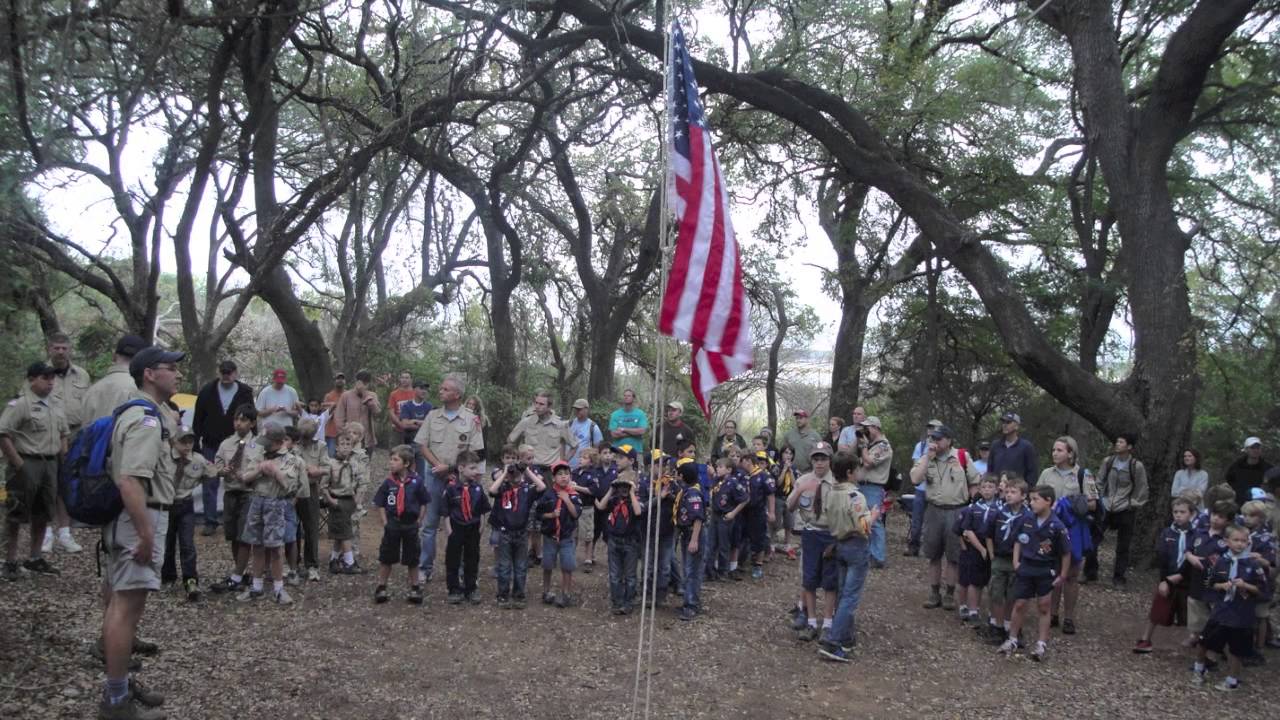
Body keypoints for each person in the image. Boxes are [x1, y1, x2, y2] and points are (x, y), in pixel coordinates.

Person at [97, 345, 184, 720]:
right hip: (138, 520)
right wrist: (147, 536)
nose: (178, 375)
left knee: (124, 605)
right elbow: (130, 481)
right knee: (125, 608)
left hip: (135, 519)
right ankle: (116, 701)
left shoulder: (147, 414)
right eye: (171, 369)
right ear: (149, 373)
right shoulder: (144, 419)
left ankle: (120, 685)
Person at [1, 362, 69, 579]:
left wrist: (63, 458)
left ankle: (35, 557)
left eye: (52, 378)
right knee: (16, 512)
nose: (50, 382)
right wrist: (19, 463)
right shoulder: (20, 404)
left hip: (50, 463)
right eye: (44, 378)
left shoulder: (56, 405)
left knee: (43, 512)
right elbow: (3, 433)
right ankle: (9, 561)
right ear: (31, 379)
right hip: (27, 461)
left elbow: (63, 433)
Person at [414, 376, 484, 581]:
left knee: (463, 524)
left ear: (457, 395)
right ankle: (425, 568)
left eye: (445, 389)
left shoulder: (472, 419)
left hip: (462, 479)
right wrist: (438, 466)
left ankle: (462, 570)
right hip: (434, 475)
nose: (440, 391)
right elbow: (422, 445)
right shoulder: (432, 415)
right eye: (441, 387)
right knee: (429, 523)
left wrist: (452, 467)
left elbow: (476, 451)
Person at [910, 425, 979, 611]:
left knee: (954, 556)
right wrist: (927, 458)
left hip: (957, 510)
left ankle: (949, 593)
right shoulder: (927, 457)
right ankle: (934, 592)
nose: (935, 442)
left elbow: (975, 481)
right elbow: (915, 479)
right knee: (933, 554)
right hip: (933, 510)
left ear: (949, 440)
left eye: (939, 439)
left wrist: (971, 506)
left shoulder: (962, 457)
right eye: (932, 438)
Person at [998, 485, 1070, 662]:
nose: (1032, 503)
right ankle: (1012, 639)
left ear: (1048, 501)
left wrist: (1063, 575)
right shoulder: (1026, 519)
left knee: (1044, 605)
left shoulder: (1057, 526)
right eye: (1030, 499)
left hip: (1045, 568)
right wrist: (1016, 561)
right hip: (1026, 567)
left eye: (1036, 499)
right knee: (1020, 603)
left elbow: (1066, 552)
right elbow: (1017, 541)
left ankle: (1041, 643)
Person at [815, 451, 876, 663]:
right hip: (855, 546)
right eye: (857, 469)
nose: (859, 472)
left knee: (843, 593)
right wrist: (875, 515)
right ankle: (834, 641)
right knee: (850, 596)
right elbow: (864, 526)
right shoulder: (855, 496)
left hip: (839, 545)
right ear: (850, 472)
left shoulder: (831, 493)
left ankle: (847, 638)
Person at [1193, 524, 1265, 691]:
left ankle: (1232, 680)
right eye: (1236, 540)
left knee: (1236, 649)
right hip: (1220, 611)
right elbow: (1209, 583)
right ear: (1226, 541)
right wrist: (1221, 586)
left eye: (1244, 541)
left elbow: (1262, 591)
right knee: (1204, 641)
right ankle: (1199, 669)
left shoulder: (1253, 565)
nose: (1240, 544)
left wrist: (1246, 585)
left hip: (1241, 614)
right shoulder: (1219, 561)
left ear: (1248, 543)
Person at [235, 425, 302, 604]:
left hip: (276, 504)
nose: (264, 446)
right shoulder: (259, 454)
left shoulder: (291, 460)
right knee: (256, 545)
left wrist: (274, 471)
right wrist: (259, 469)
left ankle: (279, 589)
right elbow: (244, 477)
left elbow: (289, 485)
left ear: (279, 442)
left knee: (275, 547)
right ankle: (256, 587)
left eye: (268, 443)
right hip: (257, 501)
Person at [1037, 435, 1097, 634]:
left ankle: (1069, 617)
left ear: (1070, 453)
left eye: (1059, 450)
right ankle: (1052, 613)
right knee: (1052, 572)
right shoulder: (1046, 473)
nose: (1055, 453)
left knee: (1071, 575)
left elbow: (1093, 503)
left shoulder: (1083, 474)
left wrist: (1070, 503)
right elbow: (1036, 496)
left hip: (1073, 529)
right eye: (1053, 450)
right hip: (1050, 527)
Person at [191, 359, 254, 535]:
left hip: (236, 443)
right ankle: (210, 521)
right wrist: (196, 443)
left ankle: (235, 519)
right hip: (211, 442)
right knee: (210, 481)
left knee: (238, 480)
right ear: (219, 373)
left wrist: (252, 439)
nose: (226, 375)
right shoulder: (207, 391)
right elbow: (198, 419)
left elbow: (251, 415)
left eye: (229, 372)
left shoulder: (244, 391)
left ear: (235, 373)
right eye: (223, 372)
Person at [207, 405, 263, 594]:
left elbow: (261, 469)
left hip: (249, 494)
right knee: (232, 534)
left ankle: (237, 576)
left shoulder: (258, 444)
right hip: (231, 493)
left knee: (244, 535)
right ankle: (240, 572)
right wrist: (222, 470)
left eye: (243, 420)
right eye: (236, 420)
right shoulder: (226, 444)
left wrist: (247, 475)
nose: (238, 423)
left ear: (252, 423)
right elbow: (217, 465)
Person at [44, 332, 91, 554]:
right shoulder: (40, 373)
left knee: (67, 484)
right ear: (49, 349)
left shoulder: (82, 375)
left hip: (74, 436)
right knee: (46, 485)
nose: (61, 352)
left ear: (69, 349)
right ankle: (45, 533)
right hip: (47, 436)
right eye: (56, 348)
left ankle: (65, 533)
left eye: (64, 348)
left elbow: (88, 406)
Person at [787, 442, 837, 641]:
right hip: (810, 533)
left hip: (831, 535)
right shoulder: (803, 480)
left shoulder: (838, 482)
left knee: (830, 581)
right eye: (816, 459)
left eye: (823, 458)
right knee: (809, 579)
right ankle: (810, 621)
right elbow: (790, 507)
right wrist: (800, 491)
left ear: (829, 460)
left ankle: (828, 623)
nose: (819, 463)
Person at [1134, 496, 1196, 653]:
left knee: (1193, 613)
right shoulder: (1167, 533)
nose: (1178, 515)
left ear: (1191, 514)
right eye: (1175, 512)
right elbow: (1163, 558)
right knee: (1158, 609)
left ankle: (1200, 643)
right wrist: (1164, 580)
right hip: (1169, 577)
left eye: (1182, 512)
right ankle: (1145, 639)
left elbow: (1195, 559)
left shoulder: (1196, 535)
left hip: (1189, 580)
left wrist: (1182, 576)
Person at [372, 445, 431, 606]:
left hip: (410, 524)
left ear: (406, 463)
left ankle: (415, 587)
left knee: (412, 557)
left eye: (395, 459)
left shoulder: (417, 482)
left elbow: (424, 502)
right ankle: (381, 586)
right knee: (387, 556)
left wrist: (420, 519)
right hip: (393, 524)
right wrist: (385, 521)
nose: (391, 462)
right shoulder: (388, 482)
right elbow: (380, 502)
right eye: (390, 459)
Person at [488, 449, 546, 609]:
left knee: (521, 566)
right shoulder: (503, 488)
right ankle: (503, 595)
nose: (515, 477)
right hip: (505, 532)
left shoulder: (527, 490)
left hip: (521, 533)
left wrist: (525, 469)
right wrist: (506, 472)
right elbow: (492, 490)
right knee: (504, 566)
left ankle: (519, 594)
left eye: (518, 475)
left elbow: (542, 486)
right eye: (513, 476)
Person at [1089, 433, 1149, 587]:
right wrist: (1099, 499)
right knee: (1093, 539)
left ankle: (1119, 578)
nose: (1117, 444)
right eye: (1117, 441)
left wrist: (1132, 504)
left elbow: (1142, 488)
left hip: (1125, 509)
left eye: (1121, 442)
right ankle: (1090, 572)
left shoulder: (1136, 466)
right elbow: (1099, 481)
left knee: (1123, 546)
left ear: (1129, 447)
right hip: (1106, 505)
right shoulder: (1108, 462)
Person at [161, 428, 212, 602]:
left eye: (190, 441)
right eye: (183, 442)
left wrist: (225, 470)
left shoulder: (198, 460)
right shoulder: (164, 458)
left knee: (187, 545)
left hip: (186, 506)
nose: (187, 445)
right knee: (167, 544)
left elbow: (212, 472)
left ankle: (190, 580)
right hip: (166, 506)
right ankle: (167, 577)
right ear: (174, 442)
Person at [984, 474, 1029, 645]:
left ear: (1023, 496)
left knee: (1014, 595)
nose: (1009, 495)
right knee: (997, 593)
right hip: (1000, 558)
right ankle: (997, 626)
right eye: (1007, 491)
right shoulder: (998, 513)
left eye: (1014, 492)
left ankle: (1013, 627)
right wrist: (992, 555)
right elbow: (988, 535)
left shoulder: (1028, 517)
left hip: (1018, 562)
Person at [444, 450, 490, 604]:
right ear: (461, 468)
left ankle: (471, 588)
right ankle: (454, 589)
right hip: (456, 528)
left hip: (473, 528)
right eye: (472, 468)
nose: (476, 472)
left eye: (476, 468)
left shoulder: (477, 488)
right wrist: (449, 530)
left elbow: (483, 510)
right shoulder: (451, 489)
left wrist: (481, 526)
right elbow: (446, 512)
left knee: (472, 559)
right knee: (453, 559)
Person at [537, 460, 582, 607]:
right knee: (548, 565)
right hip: (550, 536)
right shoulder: (548, 494)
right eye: (560, 474)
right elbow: (539, 514)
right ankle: (546, 591)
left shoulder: (574, 495)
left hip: (566, 537)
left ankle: (566, 594)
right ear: (554, 477)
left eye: (567, 474)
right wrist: (551, 515)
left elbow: (575, 514)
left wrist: (567, 500)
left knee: (567, 566)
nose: (564, 477)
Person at [321, 432, 366, 574]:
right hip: (337, 500)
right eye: (342, 444)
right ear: (336, 447)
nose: (345, 447)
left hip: (349, 500)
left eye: (348, 445)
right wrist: (331, 500)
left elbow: (360, 481)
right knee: (346, 534)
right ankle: (349, 563)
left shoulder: (354, 463)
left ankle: (333, 560)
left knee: (340, 533)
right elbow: (323, 485)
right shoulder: (331, 463)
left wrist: (357, 500)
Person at [957, 474, 999, 622]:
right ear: (979, 489)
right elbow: (967, 530)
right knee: (975, 581)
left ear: (997, 489)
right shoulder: (972, 509)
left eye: (991, 487)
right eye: (984, 487)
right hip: (976, 547)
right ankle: (973, 610)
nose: (987, 490)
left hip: (995, 548)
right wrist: (981, 549)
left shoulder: (1000, 508)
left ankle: (993, 614)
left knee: (993, 583)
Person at [81, 334, 148, 423]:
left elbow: (84, 429)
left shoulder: (92, 390)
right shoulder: (142, 389)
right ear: (143, 360)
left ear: (114, 357)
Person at [855, 417, 893, 569]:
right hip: (862, 486)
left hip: (873, 487)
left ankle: (878, 557)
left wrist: (863, 447)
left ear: (875, 428)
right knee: (864, 519)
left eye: (867, 428)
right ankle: (869, 554)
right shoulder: (871, 444)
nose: (865, 431)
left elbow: (868, 462)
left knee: (874, 521)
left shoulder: (884, 446)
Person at [1240, 500, 1276, 654]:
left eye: (1251, 516)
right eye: (1244, 515)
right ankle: (1243, 644)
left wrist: (1258, 558)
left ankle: (1260, 646)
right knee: (1245, 613)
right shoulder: (1241, 532)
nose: (1246, 518)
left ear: (1260, 518)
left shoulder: (1266, 537)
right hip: (1244, 578)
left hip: (1261, 581)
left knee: (1261, 615)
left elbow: (1270, 562)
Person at [507, 391, 575, 471]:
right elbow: (510, 441)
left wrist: (563, 462)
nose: (537, 406)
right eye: (536, 403)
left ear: (549, 407)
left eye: (541, 404)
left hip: (551, 470)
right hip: (530, 469)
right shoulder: (526, 422)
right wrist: (517, 458)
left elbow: (575, 445)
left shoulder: (560, 425)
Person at [294, 418, 326, 582]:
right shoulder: (292, 445)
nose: (304, 441)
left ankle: (312, 565)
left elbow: (328, 468)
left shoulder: (320, 446)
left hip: (311, 490)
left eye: (308, 437)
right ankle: (292, 564)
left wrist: (317, 470)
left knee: (312, 528)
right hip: (293, 490)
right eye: (302, 437)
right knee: (292, 527)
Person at [904, 419, 943, 556]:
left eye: (934, 428)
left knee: (934, 520)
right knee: (916, 519)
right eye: (929, 427)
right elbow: (916, 466)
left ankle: (931, 548)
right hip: (921, 489)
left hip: (936, 490)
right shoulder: (920, 446)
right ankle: (913, 546)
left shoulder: (943, 448)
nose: (931, 430)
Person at [986, 412, 1038, 489]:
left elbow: (1032, 473)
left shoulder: (1026, 447)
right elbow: (990, 470)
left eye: (1008, 422)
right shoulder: (995, 445)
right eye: (1003, 422)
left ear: (1017, 426)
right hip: (997, 492)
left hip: (1017, 494)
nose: (1004, 425)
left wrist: (1026, 491)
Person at [333, 370, 381, 450]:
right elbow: (339, 417)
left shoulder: (372, 395)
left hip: (367, 437)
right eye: (360, 382)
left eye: (365, 383)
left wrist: (365, 395)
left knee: (365, 460)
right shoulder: (346, 395)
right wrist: (344, 432)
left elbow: (377, 412)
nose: (362, 385)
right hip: (350, 436)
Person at [397, 381, 433, 478]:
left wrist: (413, 421)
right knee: (405, 473)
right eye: (421, 388)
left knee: (422, 475)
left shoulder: (429, 406)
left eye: (425, 389)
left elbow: (430, 425)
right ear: (414, 389)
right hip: (409, 443)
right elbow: (404, 424)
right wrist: (423, 423)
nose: (424, 391)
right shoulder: (407, 406)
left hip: (423, 445)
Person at [1225, 437, 1272, 506]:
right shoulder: (1236, 466)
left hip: (1261, 505)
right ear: (1246, 450)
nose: (1256, 450)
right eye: (1252, 448)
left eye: (1258, 448)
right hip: (1239, 504)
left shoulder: (1268, 468)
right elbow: (1229, 482)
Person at [608, 388, 649, 456]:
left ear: (633, 398)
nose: (626, 397)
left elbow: (641, 431)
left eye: (629, 395)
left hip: (636, 451)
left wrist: (623, 429)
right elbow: (614, 434)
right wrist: (633, 433)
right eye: (624, 395)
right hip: (618, 451)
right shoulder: (615, 414)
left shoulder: (640, 414)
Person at [567, 398, 603, 470]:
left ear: (586, 410)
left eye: (579, 409)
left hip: (584, 468)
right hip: (568, 467)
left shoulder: (593, 427)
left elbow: (596, 450)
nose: (577, 411)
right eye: (575, 409)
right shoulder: (569, 424)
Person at [321, 373, 347, 456]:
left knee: (344, 456)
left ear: (345, 381)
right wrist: (333, 408)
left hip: (344, 432)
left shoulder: (348, 395)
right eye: (338, 378)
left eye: (342, 378)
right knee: (331, 456)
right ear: (334, 381)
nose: (340, 380)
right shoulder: (328, 396)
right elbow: (324, 413)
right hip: (331, 432)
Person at [385, 371, 416, 440]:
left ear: (411, 380)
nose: (404, 380)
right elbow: (391, 412)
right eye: (402, 377)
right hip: (397, 429)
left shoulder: (416, 393)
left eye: (407, 378)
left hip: (413, 430)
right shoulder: (394, 394)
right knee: (395, 450)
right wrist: (400, 424)